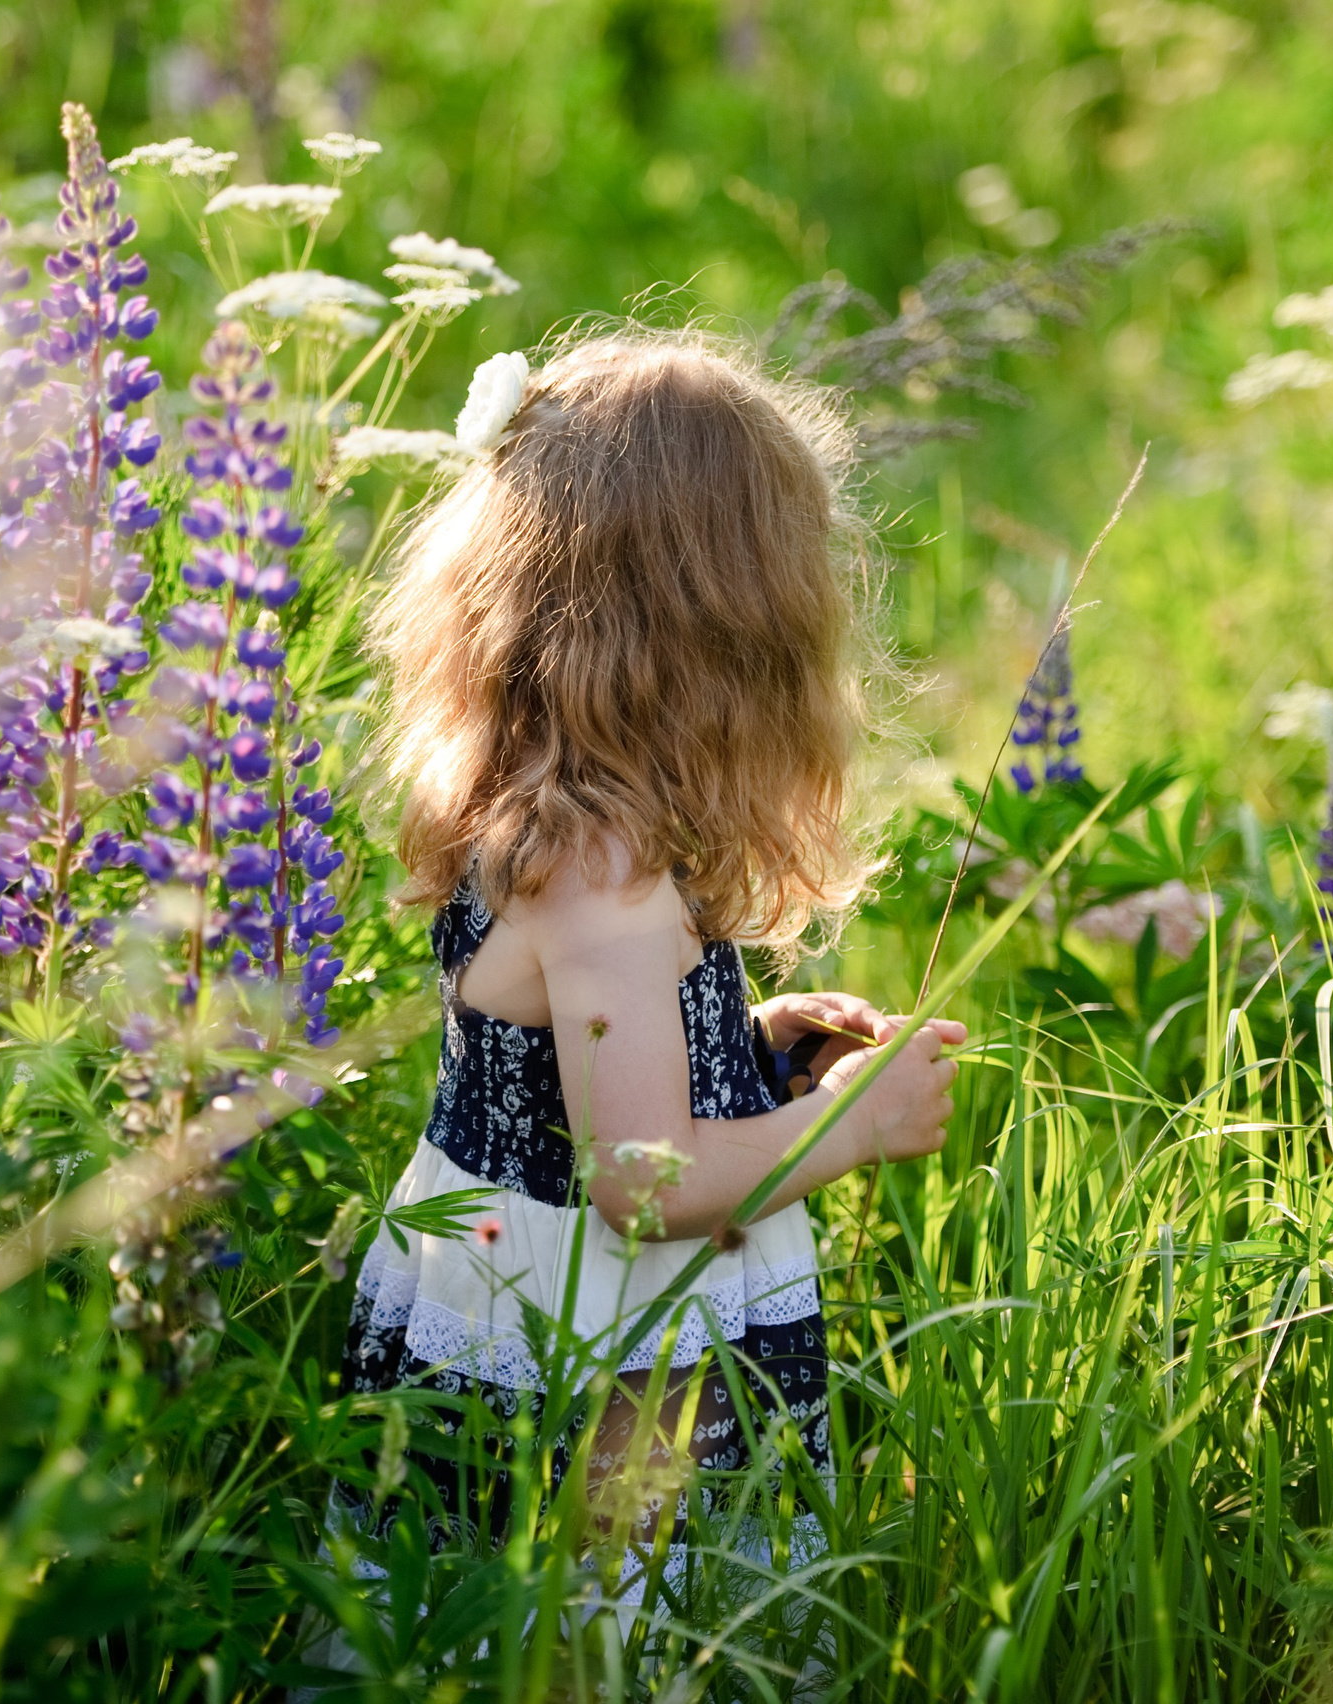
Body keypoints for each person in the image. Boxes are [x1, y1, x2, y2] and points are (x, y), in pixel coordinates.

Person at [335, 331, 965, 1572]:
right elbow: (641, 1182)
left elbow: (572, 1072)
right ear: (728, 632)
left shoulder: (534, 812)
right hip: (610, 1349)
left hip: (505, 1274)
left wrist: (746, 1052)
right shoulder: (606, 874)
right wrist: (854, 1125)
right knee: (614, 1628)